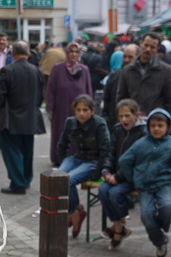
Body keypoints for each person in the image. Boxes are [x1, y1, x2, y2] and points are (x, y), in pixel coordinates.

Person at [119, 108, 171, 257]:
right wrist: (132, 178)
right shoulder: (140, 143)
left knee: (167, 204)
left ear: (168, 127)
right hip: (144, 186)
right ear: (148, 126)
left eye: (160, 125)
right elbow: (124, 161)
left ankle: (161, 226)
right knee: (146, 214)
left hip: (165, 184)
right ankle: (160, 240)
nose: (156, 128)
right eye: (153, 125)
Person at [0, 40, 45, 194]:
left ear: (12, 53)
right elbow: (41, 96)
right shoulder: (37, 71)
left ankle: (18, 182)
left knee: (12, 151)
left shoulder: (7, 70)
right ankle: (26, 179)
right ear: (28, 54)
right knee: (27, 151)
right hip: (30, 117)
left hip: (11, 118)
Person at [57, 94, 110, 238]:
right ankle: (76, 210)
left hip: (92, 161)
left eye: (85, 110)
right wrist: (63, 162)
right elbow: (62, 145)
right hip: (76, 158)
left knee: (69, 180)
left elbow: (106, 150)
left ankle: (73, 212)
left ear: (92, 111)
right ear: (74, 110)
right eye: (78, 109)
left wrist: (98, 171)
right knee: (56, 178)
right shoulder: (70, 122)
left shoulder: (99, 124)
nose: (81, 113)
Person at [98, 99, 146, 250]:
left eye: (127, 115)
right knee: (102, 190)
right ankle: (119, 227)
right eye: (121, 116)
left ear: (137, 115)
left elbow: (137, 161)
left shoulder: (143, 133)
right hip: (115, 175)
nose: (124, 120)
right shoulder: (118, 129)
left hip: (132, 177)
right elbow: (111, 153)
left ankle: (118, 229)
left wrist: (117, 177)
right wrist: (106, 171)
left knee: (115, 193)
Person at [46, 42, 92, 166]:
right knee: (60, 131)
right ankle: (58, 157)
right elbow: (50, 88)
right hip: (61, 107)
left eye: (77, 52)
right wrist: (50, 106)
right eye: (71, 51)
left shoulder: (84, 70)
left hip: (80, 109)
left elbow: (88, 90)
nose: (74, 54)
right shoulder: (57, 68)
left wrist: (90, 109)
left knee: (78, 131)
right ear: (67, 53)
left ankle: (76, 156)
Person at [116, 32, 171, 118]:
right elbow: (121, 97)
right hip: (133, 121)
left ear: (157, 49)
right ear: (141, 43)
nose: (148, 49)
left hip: (156, 121)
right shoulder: (128, 70)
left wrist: (164, 119)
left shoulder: (166, 70)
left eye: (152, 47)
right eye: (146, 45)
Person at [102, 44, 139, 130]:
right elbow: (107, 100)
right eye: (124, 57)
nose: (126, 60)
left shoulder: (142, 76)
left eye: (130, 57)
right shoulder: (114, 75)